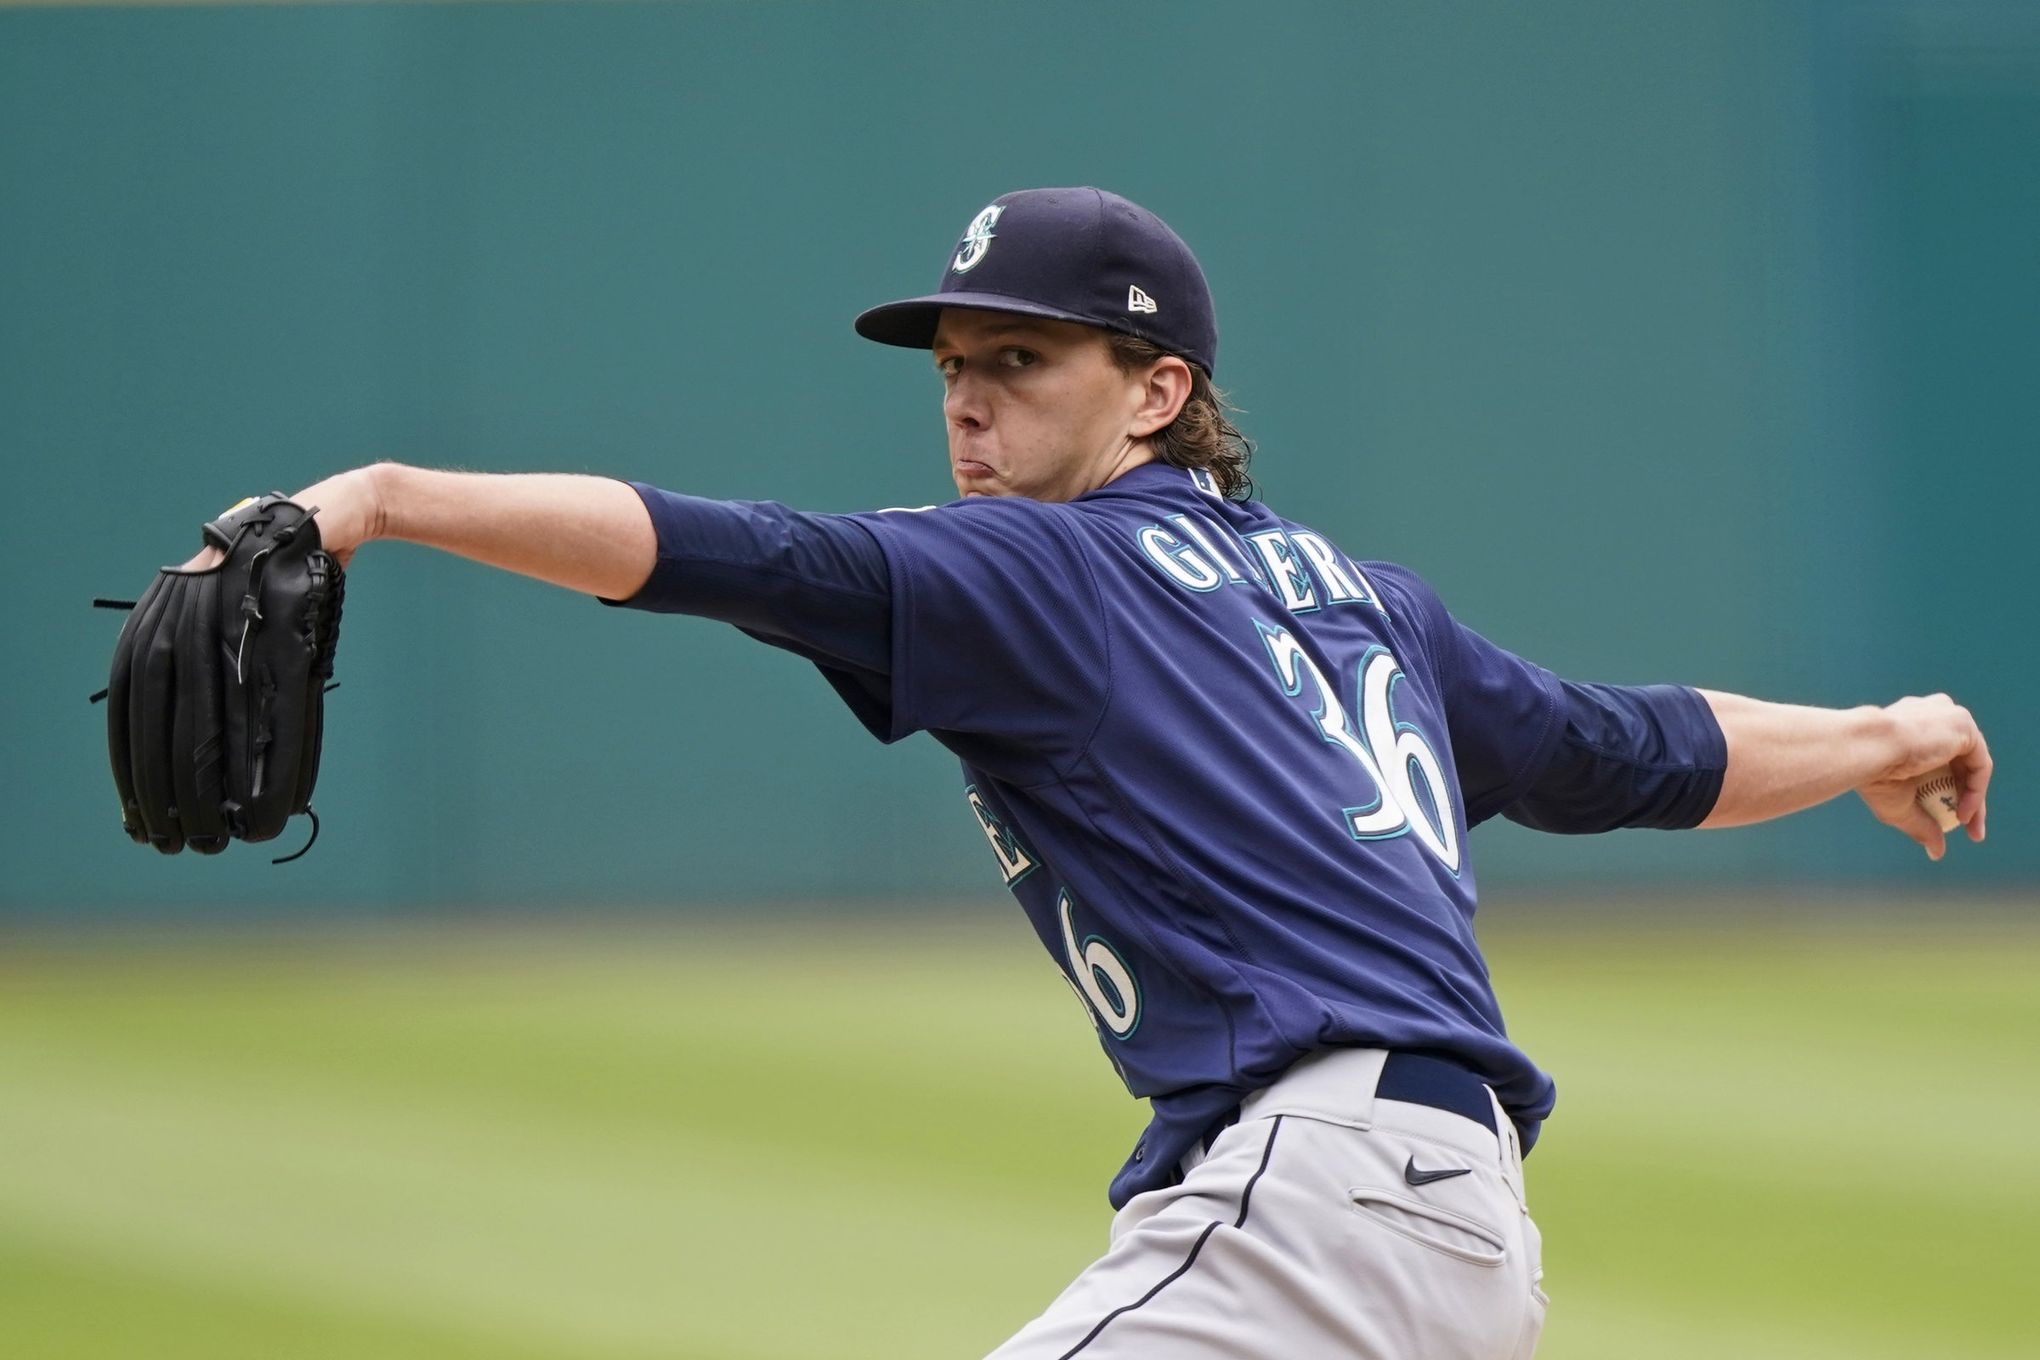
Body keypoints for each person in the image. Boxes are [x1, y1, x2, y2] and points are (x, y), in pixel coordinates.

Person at [182, 187, 1990, 1358]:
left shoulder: (1046, 570)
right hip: (1457, 1239)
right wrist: (1881, 740)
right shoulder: (1360, 601)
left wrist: (382, 503)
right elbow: (1635, 750)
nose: (968, 405)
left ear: (1153, 391)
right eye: (956, 369)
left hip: (1319, 1216)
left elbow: (715, 546)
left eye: (1020, 364)